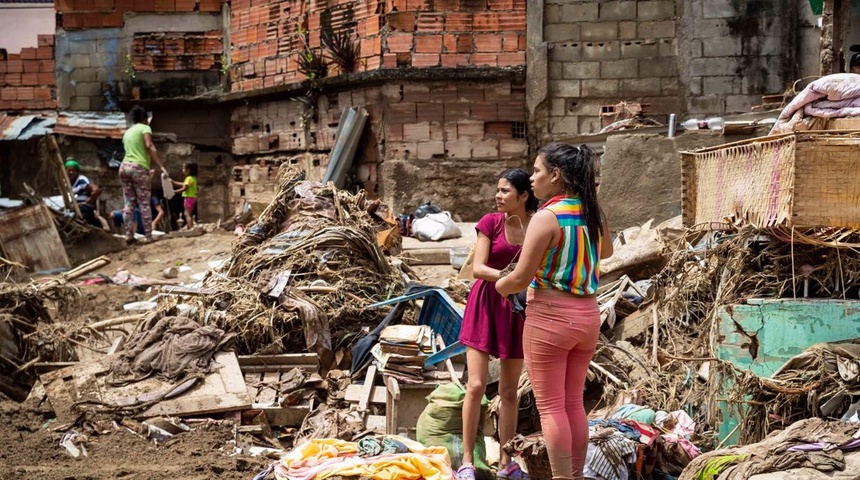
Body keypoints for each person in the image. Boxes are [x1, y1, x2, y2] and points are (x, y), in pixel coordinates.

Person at [496, 144, 613, 480]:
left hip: (550, 318)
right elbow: (605, 251)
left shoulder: (547, 217)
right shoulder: (592, 212)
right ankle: (576, 475)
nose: (532, 179)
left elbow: (520, 277)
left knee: (550, 407)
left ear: (556, 175)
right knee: (574, 402)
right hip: (588, 317)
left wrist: (499, 287)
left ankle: (562, 477)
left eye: (536, 171)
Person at [457, 169, 538, 480]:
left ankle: (506, 464)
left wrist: (520, 281)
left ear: (524, 195)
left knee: (508, 392)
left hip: (516, 309)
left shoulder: (537, 225)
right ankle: (466, 461)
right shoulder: (490, 222)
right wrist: (512, 275)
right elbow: (478, 268)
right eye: (498, 190)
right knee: (476, 386)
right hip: (485, 304)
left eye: (505, 191)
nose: (498, 196)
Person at [120, 105, 165, 244]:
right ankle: (148, 236)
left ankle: (128, 235)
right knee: (144, 202)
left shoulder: (127, 132)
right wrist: (161, 165)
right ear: (145, 119)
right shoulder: (145, 128)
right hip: (138, 167)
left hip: (124, 167)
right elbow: (148, 145)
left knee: (129, 202)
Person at [65, 158, 102, 228]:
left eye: (73, 170)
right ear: (65, 171)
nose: (71, 172)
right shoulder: (65, 183)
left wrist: (90, 200)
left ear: (77, 172)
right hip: (71, 208)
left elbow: (96, 190)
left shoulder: (81, 180)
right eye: (69, 170)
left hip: (82, 208)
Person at [172, 160, 198, 229]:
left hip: (188, 198)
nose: (182, 170)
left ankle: (190, 227)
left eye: (184, 168)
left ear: (188, 170)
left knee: (187, 214)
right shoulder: (193, 178)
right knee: (189, 213)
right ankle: (191, 226)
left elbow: (184, 188)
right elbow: (184, 184)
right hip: (193, 197)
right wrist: (174, 182)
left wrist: (174, 191)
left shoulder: (188, 178)